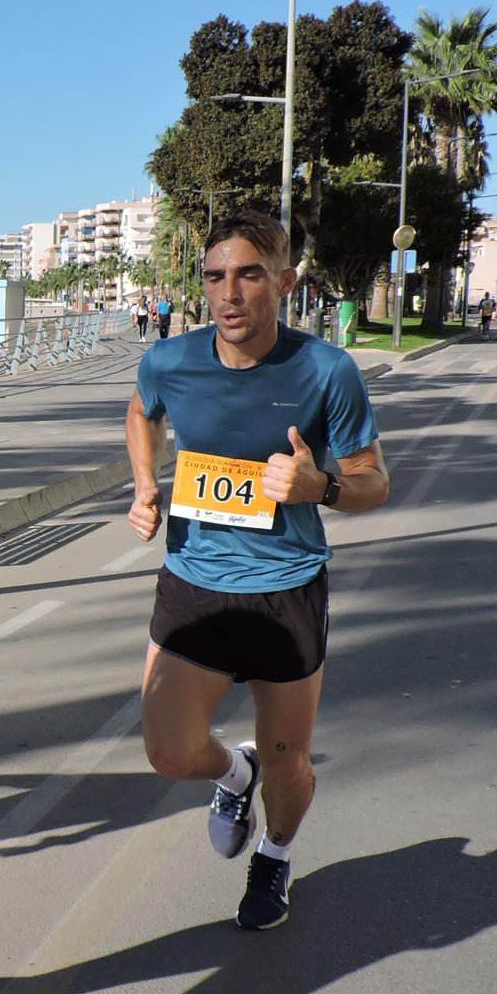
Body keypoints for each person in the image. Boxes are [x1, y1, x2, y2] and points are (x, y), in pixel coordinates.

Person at [123, 213, 390, 929]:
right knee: (170, 751)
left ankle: (274, 854)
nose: (229, 294)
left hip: (286, 589)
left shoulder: (327, 371)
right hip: (195, 580)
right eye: (215, 277)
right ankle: (230, 775)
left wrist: (321, 488)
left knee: (289, 761)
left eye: (247, 275)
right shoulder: (171, 361)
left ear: (284, 281)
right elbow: (142, 412)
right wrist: (145, 483)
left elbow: (373, 481)